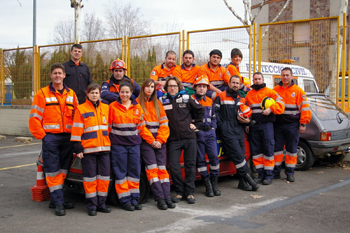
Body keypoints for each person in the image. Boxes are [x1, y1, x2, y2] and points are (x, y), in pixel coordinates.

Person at [29, 63, 79, 216]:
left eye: (60, 73)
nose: (58, 76)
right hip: (51, 137)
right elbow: (34, 118)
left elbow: (77, 117)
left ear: (64, 76)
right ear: (51, 76)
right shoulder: (42, 94)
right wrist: (43, 136)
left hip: (67, 138)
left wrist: (76, 137)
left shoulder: (72, 94)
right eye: (55, 73)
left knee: (63, 169)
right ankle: (58, 203)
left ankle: (56, 199)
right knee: (52, 170)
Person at [108, 80, 154, 211]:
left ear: (131, 93)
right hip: (118, 146)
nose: (124, 94)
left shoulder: (137, 107)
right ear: (119, 92)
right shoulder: (112, 107)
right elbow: (108, 128)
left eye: (127, 92)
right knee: (121, 173)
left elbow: (141, 127)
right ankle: (125, 200)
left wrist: (152, 140)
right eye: (122, 92)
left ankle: (135, 199)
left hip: (134, 146)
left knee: (134, 173)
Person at [160, 76, 205, 204]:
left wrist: (196, 125)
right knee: (174, 166)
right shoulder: (162, 100)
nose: (172, 88)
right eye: (170, 86)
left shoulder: (186, 98)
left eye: (174, 86)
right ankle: (180, 192)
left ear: (179, 87)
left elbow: (201, 110)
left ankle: (190, 193)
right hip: (173, 139)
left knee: (190, 166)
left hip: (189, 137)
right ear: (166, 88)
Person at [71, 83, 111, 216]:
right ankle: (92, 206)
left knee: (104, 179)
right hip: (88, 151)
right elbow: (77, 129)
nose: (94, 95)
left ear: (100, 94)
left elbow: (109, 128)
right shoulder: (81, 109)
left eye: (97, 92)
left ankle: (101, 204)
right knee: (90, 179)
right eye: (92, 92)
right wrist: (78, 147)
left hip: (104, 149)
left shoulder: (106, 108)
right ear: (87, 94)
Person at [214, 75, 259, 192]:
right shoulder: (221, 96)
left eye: (237, 83)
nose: (235, 85)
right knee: (238, 156)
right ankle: (249, 179)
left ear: (239, 85)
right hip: (227, 131)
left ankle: (242, 183)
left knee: (242, 156)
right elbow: (216, 113)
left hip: (239, 130)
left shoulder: (242, 98)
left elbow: (247, 114)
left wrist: (248, 122)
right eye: (233, 82)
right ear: (229, 84)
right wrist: (222, 127)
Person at [138, 78, 175, 210]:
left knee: (162, 170)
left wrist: (159, 140)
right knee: (152, 170)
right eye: (147, 86)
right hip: (147, 142)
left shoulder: (158, 104)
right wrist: (152, 141)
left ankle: (167, 197)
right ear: (143, 88)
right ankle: (160, 199)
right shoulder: (137, 104)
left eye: (152, 87)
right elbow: (141, 126)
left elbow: (164, 124)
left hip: (159, 141)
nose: (149, 89)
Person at [245, 72, 285, 185]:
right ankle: (260, 175)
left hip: (266, 125)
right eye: (255, 79)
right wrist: (247, 124)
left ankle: (269, 175)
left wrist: (271, 109)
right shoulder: (249, 94)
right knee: (256, 151)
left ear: (263, 80)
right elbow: (245, 109)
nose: (257, 81)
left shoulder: (270, 92)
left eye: (259, 79)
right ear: (253, 80)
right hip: (253, 125)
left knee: (268, 149)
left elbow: (281, 103)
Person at [273, 67, 311, 182]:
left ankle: (290, 172)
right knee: (277, 150)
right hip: (278, 125)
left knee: (291, 150)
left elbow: (304, 108)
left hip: (292, 125)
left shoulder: (298, 91)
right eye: (283, 75)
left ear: (292, 76)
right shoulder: (275, 90)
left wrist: (303, 124)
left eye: (287, 75)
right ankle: (276, 172)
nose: (285, 77)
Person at [191, 75, 220, 197]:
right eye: (199, 86)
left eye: (204, 86)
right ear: (195, 87)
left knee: (214, 157)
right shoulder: (190, 100)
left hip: (210, 133)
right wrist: (195, 129)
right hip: (198, 133)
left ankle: (214, 183)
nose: (202, 89)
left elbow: (214, 116)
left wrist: (213, 128)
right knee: (201, 159)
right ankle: (207, 183)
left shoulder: (209, 100)